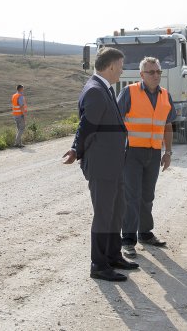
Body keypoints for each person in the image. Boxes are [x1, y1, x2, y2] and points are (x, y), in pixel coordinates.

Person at [62, 47, 138, 282]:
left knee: (116, 212)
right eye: (121, 65)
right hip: (102, 165)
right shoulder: (95, 90)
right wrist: (77, 150)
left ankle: (113, 255)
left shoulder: (103, 88)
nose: (122, 70)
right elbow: (86, 126)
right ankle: (99, 264)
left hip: (113, 164)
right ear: (112, 66)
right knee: (104, 215)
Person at [117, 56, 176, 258]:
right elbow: (116, 122)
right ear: (142, 74)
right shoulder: (129, 92)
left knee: (147, 196)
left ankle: (145, 233)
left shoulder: (165, 96)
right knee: (131, 197)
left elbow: (168, 126)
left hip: (153, 153)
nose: (156, 75)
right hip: (131, 153)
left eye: (158, 71)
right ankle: (128, 240)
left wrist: (167, 152)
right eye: (151, 72)